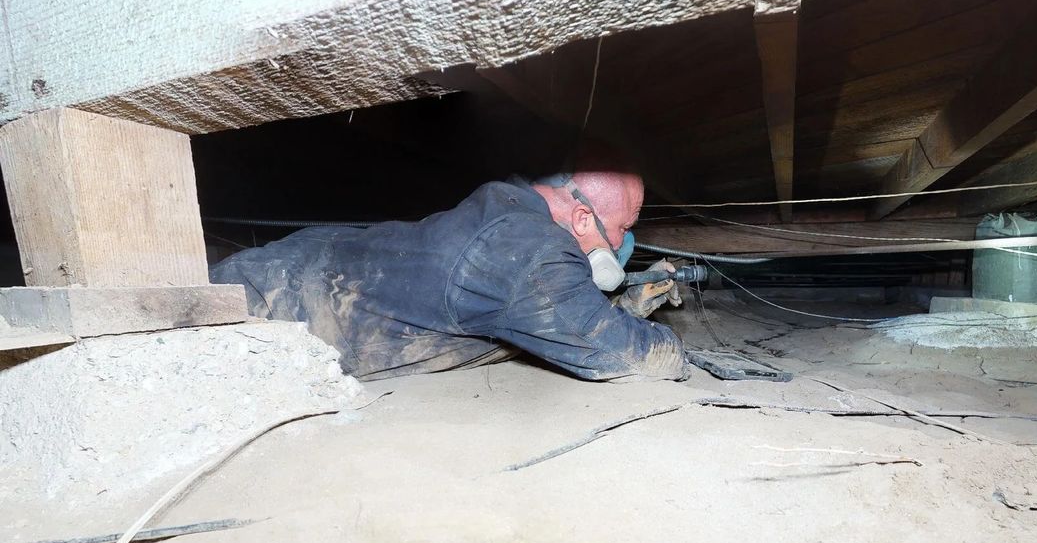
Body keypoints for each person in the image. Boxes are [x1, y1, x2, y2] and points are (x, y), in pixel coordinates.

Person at [209, 152, 689, 382]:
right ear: (583, 217)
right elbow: (623, 355)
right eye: (624, 227)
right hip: (254, 304)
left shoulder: (510, 211)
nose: (626, 241)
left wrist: (617, 303)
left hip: (300, 263)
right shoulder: (529, 248)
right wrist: (669, 345)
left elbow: (520, 310)